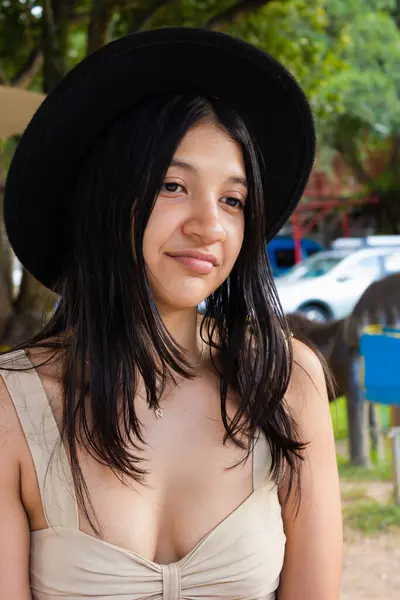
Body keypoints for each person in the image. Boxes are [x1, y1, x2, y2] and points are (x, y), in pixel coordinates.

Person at [0, 27, 342, 600]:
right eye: (172, 185)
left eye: (232, 200)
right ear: (107, 198)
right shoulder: (14, 407)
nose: (209, 225)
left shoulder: (285, 379)